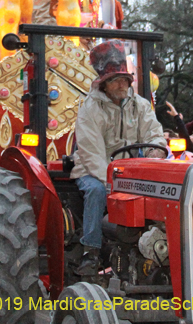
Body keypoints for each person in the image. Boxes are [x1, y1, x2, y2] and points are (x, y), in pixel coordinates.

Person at [70, 40, 166, 276]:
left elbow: (154, 133)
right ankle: (90, 251)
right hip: (94, 171)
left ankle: (157, 250)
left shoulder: (140, 106)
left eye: (125, 79)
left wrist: (156, 149)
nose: (123, 84)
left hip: (130, 173)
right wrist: (111, 182)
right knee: (95, 191)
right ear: (105, 85)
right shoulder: (90, 109)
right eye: (117, 80)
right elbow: (91, 153)